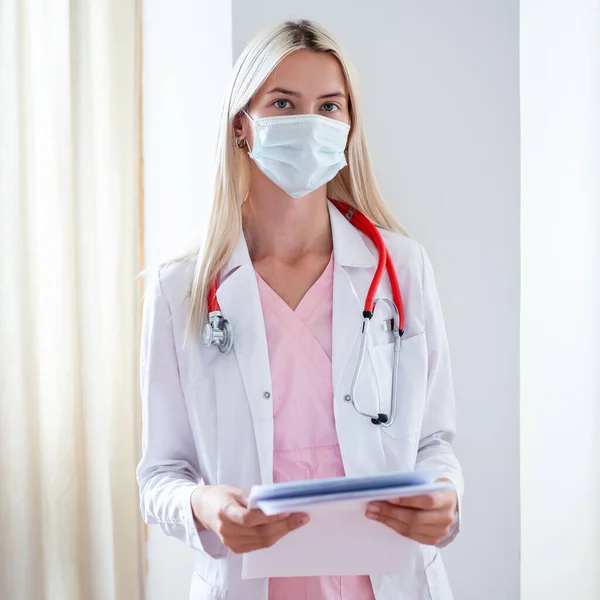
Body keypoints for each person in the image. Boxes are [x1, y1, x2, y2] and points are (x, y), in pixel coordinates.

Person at [137, 18, 463, 600]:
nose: (310, 124)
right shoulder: (181, 290)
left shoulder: (402, 270)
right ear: (243, 126)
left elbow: (434, 440)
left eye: (329, 107)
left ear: (348, 126)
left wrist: (445, 496)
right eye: (284, 103)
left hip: (386, 583)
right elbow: (160, 476)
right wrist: (204, 506)